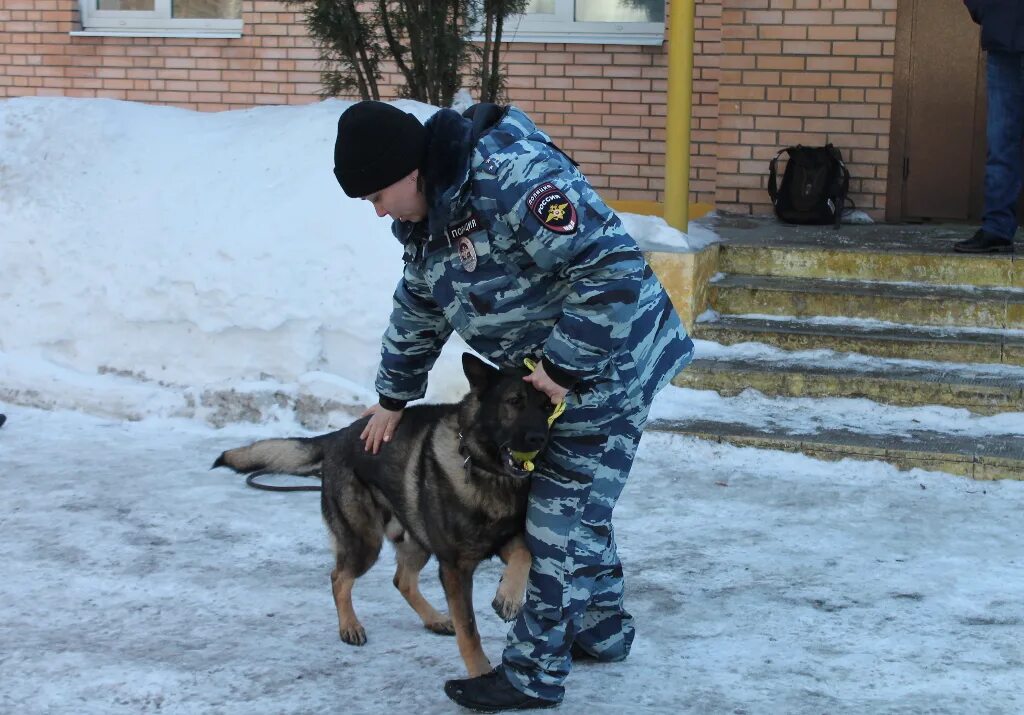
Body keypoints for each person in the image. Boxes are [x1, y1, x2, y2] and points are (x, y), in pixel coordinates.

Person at [333, 100, 694, 711]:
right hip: (549, 385)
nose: (378, 210)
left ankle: (531, 675)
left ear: (411, 169)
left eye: (377, 194)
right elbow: (419, 309)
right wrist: (393, 398)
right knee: (578, 506)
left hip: (611, 366)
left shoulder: (512, 180)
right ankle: (603, 632)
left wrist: (561, 366)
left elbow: (612, 270)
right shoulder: (431, 225)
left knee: (553, 521)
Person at [955, 0, 1024, 254]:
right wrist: (987, 11)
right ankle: (997, 229)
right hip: (1004, 41)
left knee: (1002, 141)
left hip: (1004, 34)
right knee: (1001, 141)